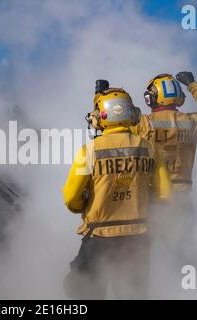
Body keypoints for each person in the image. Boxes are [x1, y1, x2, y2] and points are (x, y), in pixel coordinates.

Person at [62, 86, 171, 299]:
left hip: (98, 237)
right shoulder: (149, 149)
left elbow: (71, 198)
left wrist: (81, 206)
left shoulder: (89, 151)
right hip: (137, 238)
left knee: (83, 291)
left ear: (102, 116)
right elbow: (165, 194)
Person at [136, 72, 197, 296]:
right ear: (178, 97)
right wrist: (192, 84)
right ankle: (184, 293)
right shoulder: (191, 123)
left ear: (151, 98)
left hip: (151, 199)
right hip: (182, 200)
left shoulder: (143, 124)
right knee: (183, 255)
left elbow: (116, 131)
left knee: (142, 255)